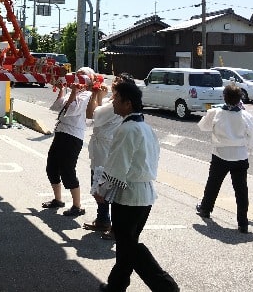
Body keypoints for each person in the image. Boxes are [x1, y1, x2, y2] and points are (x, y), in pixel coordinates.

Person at [94, 81, 179, 292]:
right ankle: (116, 285)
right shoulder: (145, 127)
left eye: (116, 99)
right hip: (145, 195)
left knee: (129, 245)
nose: (113, 103)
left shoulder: (128, 129)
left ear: (128, 104)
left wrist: (101, 190)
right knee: (126, 244)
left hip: (129, 196)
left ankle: (166, 286)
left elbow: (117, 166)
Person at [196, 84, 253, 233]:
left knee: (213, 183)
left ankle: (206, 209)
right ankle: (243, 223)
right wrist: (246, 147)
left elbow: (203, 127)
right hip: (240, 156)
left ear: (224, 97)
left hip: (220, 154)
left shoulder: (215, 112)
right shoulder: (246, 115)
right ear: (240, 98)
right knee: (241, 190)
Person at [41, 66, 99, 217]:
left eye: (82, 75)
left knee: (67, 170)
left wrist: (73, 91)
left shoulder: (87, 94)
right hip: (61, 132)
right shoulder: (76, 91)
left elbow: (72, 109)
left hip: (73, 136)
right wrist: (62, 89)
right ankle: (58, 199)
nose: (78, 77)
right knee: (51, 166)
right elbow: (58, 106)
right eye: (77, 74)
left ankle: (77, 205)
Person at [84, 73, 136, 233]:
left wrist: (96, 94)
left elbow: (92, 114)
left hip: (106, 152)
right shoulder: (114, 103)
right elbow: (98, 113)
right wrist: (100, 96)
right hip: (103, 150)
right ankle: (103, 219)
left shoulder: (116, 105)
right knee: (101, 188)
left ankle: (111, 224)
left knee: (105, 189)